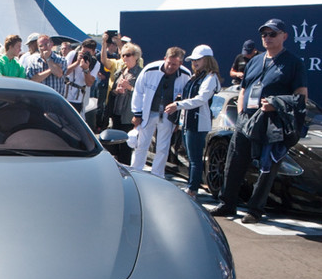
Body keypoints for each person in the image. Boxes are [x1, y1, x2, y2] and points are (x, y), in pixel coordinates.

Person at [210, 18, 307, 224]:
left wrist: (276, 104)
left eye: (273, 34)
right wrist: (241, 111)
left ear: (284, 36)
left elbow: (300, 95)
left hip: (272, 121)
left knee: (266, 167)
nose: (267, 38)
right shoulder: (255, 60)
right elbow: (244, 88)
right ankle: (227, 203)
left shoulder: (294, 62)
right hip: (247, 119)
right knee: (234, 161)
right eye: (264, 34)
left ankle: (255, 210)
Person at [164, 45, 221, 198]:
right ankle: (191, 186)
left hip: (198, 123)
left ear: (207, 60)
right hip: (188, 122)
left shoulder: (210, 77)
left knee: (195, 159)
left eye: (198, 59)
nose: (194, 63)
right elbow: (188, 97)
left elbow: (201, 99)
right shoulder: (197, 76)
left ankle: (192, 189)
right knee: (191, 158)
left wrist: (178, 105)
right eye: (193, 60)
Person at [130, 47, 192, 178]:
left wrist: (178, 121)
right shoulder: (150, 70)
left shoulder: (186, 75)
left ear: (180, 64)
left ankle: (157, 175)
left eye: (174, 64)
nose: (170, 66)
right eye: (168, 62)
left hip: (168, 115)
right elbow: (138, 92)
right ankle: (135, 172)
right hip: (149, 111)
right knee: (142, 143)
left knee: (163, 147)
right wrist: (137, 113)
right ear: (165, 59)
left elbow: (186, 99)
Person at [105, 42, 143, 164]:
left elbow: (143, 95)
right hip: (117, 112)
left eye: (128, 55)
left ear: (136, 56)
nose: (125, 58)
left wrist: (130, 88)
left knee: (126, 145)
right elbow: (113, 91)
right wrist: (117, 91)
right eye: (123, 55)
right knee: (115, 144)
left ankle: (125, 169)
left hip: (128, 115)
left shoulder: (141, 73)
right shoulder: (121, 72)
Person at [64, 39, 100, 124]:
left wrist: (86, 69)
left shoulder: (95, 63)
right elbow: (64, 72)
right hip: (64, 93)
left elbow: (89, 83)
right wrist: (77, 62)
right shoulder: (73, 54)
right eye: (83, 52)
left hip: (77, 97)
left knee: (73, 122)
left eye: (87, 53)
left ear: (93, 52)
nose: (84, 55)